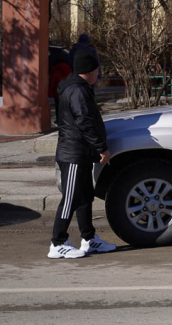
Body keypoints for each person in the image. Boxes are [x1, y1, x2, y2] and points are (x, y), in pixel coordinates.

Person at [48, 51, 116, 259]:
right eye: (97, 70)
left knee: (85, 197)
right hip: (74, 154)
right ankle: (57, 243)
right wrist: (101, 148)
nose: (99, 74)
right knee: (70, 199)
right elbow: (84, 121)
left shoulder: (78, 88)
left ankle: (89, 239)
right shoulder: (77, 91)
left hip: (81, 153)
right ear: (90, 71)